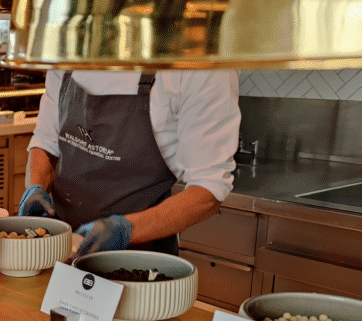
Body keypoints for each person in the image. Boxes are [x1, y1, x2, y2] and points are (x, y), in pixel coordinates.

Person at [20, 70, 240, 257]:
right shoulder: (68, 45)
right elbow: (45, 141)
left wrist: (125, 231)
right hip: (61, 249)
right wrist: (35, 186)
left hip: (137, 261)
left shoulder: (198, 66)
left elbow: (208, 190)